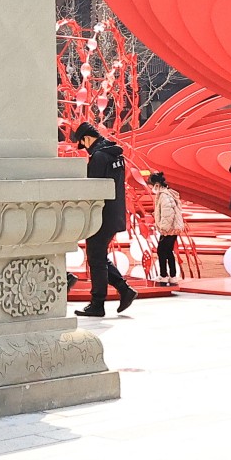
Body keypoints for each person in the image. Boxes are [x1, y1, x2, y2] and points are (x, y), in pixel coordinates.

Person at [72, 123, 135, 317]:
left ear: (87, 138)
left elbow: (92, 188)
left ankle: (98, 303)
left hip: (101, 215)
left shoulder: (99, 157)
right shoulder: (115, 154)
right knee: (99, 256)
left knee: (96, 258)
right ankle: (124, 290)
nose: (85, 147)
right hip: (114, 213)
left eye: (83, 143)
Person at [148, 170, 185, 285]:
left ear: (157, 185)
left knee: (162, 251)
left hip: (169, 229)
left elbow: (168, 213)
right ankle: (172, 276)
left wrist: (164, 228)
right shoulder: (166, 194)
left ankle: (164, 275)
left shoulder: (164, 196)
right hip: (173, 228)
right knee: (168, 251)